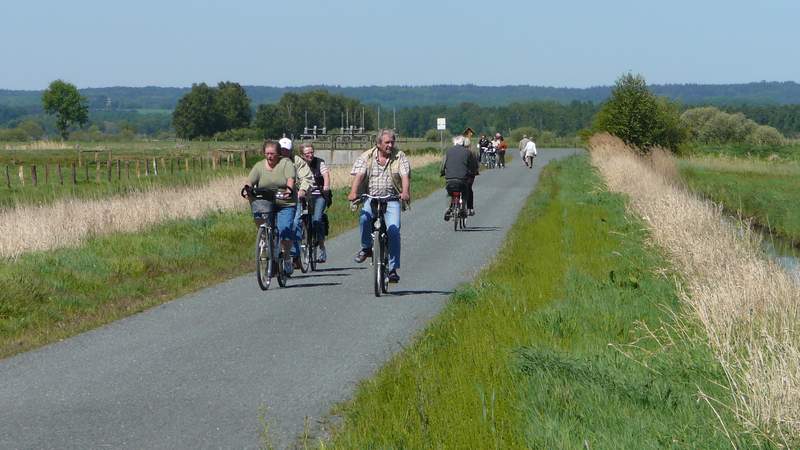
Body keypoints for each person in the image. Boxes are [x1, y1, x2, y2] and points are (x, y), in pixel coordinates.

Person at [347, 129, 411, 283]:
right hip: (372, 198)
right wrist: (353, 192)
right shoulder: (367, 156)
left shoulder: (399, 156)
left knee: (393, 230)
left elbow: (404, 175)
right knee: (364, 218)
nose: (390, 145)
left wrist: (405, 192)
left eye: (392, 142)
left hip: (391, 199)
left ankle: (393, 269)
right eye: (387, 142)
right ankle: (366, 248)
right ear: (378, 144)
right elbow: (360, 175)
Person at [243, 140, 297, 275]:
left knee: (285, 229)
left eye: (272, 153)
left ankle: (286, 257)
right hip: (266, 201)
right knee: (261, 217)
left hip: (285, 201)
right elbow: (250, 181)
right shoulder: (259, 166)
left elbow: (290, 178)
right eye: (267, 153)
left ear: (278, 154)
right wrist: (246, 189)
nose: (269, 156)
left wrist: (289, 189)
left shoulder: (286, 163)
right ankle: (265, 239)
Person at [279, 138, 314, 269]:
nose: (284, 152)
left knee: (294, 223)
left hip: (295, 195)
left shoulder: (297, 161)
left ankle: (294, 255)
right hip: (277, 195)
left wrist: (303, 190)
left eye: (286, 150)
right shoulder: (273, 161)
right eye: (281, 150)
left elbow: (306, 177)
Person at [299, 142, 332, 262]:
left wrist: (326, 186)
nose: (310, 155)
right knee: (299, 221)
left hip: (319, 195)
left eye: (311, 152)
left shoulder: (319, 162)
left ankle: (322, 248)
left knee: (317, 219)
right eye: (307, 153)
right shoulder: (299, 165)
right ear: (302, 155)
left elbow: (325, 175)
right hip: (304, 197)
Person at [441, 135, 479, 219]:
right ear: (463, 143)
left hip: (449, 179)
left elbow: (443, 165)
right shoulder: (468, 152)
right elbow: (473, 166)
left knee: (449, 193)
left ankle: (448, 209)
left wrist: (442, 172)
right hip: (462, 179)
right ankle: (462, 208)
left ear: (454, 143)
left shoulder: (448, 151)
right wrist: (474, 172)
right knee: (465, 192)